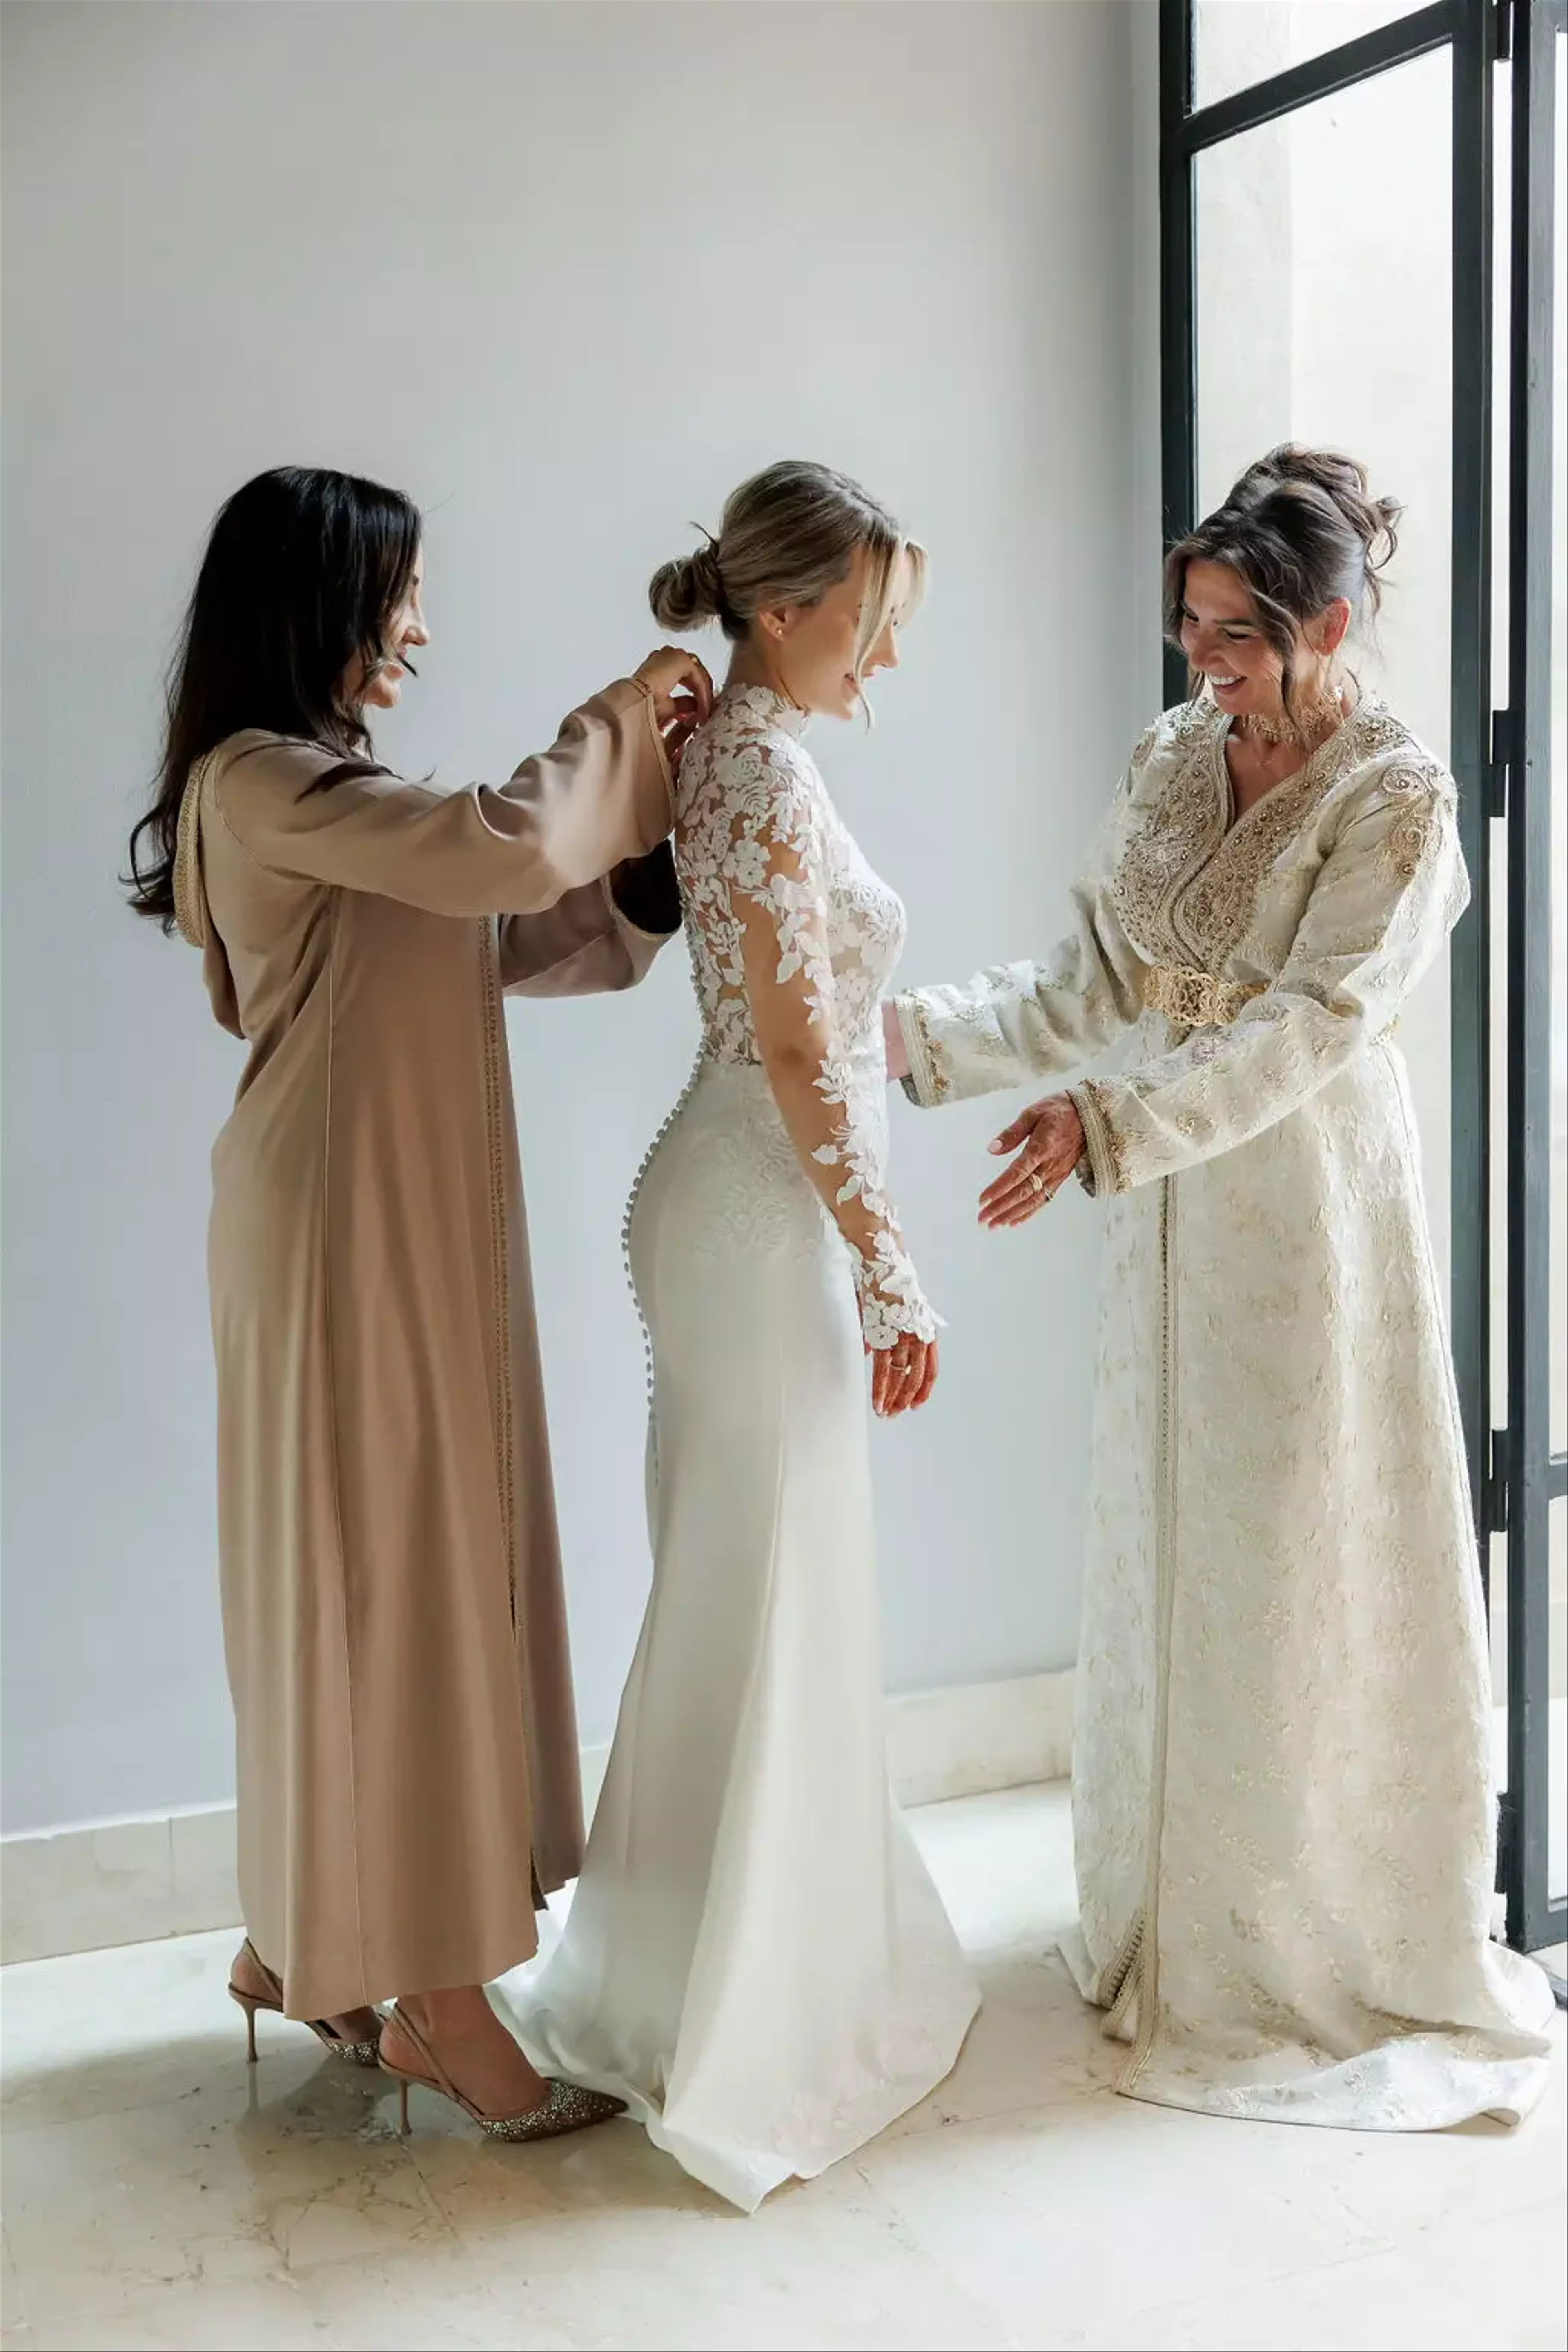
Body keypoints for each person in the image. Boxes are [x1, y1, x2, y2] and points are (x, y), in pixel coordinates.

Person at [886, 445, 1555, 2130]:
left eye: (1236, 631)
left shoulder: (1398, 800)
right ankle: (1176, 1915)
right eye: (1189, 622)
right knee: (1175, 1545)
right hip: (1165, 1224)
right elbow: (1098, 972)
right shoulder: (1178, 754)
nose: (1205, 657)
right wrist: (912, 1045)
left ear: (1327, 623)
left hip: (1305, 1219)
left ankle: (1304, 1931)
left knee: (1295, 1556)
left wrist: (1118, 1120)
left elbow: (1313, 1030)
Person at [127, 465, 712, 2141]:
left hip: (380, 1218)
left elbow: (501, 928)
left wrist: (651, 873)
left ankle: (304, 1945)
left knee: (361, 1573)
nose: (421, 629)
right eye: (401, 597)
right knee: (385, 1581)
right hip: (340, 1231)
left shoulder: (326, 796)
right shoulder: (260, 784)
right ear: (321, 604)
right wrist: (616, 717)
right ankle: (442, 2001)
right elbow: (502, 848)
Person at [509, 461, 978, 2209]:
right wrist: (891, 1262)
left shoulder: (723, 757)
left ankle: (694, 1972)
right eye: (870, 622)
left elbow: (817, 1029)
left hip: (725, 1200)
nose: (885, 657)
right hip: (761, 1209)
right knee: (765, 1587)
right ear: (783, 613)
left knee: (738, 1583)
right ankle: (750, 2017)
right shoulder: (763, 770)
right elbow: (796, 1045)